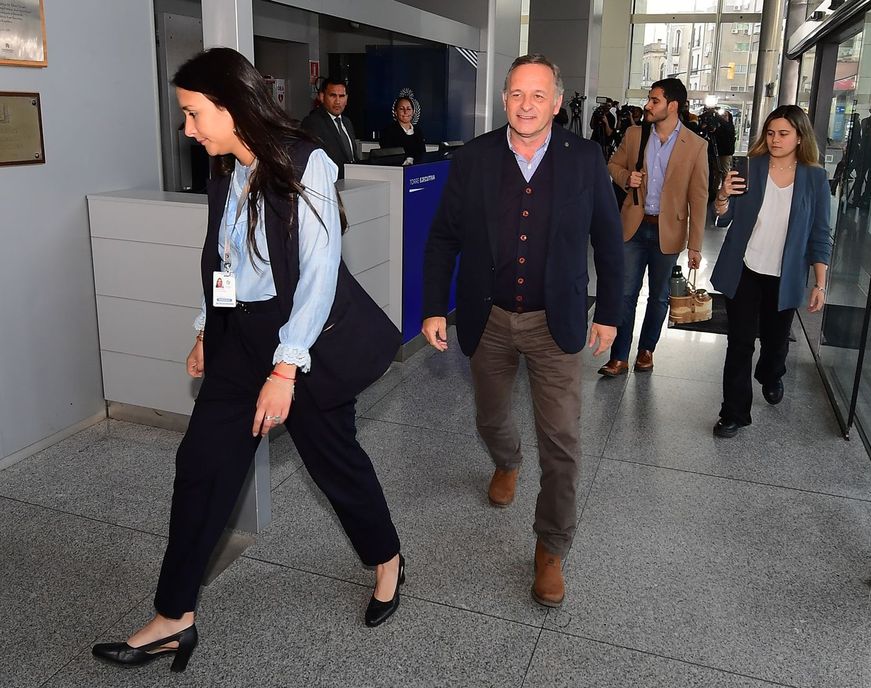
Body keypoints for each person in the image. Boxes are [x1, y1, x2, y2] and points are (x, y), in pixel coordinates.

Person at [92, 48, 405, 672]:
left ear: (231, 107)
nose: (187, 129)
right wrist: (207, 328)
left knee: (335, 464)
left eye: (193, 114)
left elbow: (319, 275)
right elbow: (224, 258)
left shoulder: (306, 162)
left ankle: (388, 558)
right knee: (201, 467)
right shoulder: (223, 168)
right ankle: (174, 618)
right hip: (238, 340)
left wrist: (285, 370)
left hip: (301, 341)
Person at [421, 54, 623, 608]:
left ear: (557, 103)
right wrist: (434, 307)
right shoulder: (474, 158)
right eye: (516, 94)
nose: (526, 105)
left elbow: (609, 241)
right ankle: (507, 459)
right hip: (488, 319)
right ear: (504, 99)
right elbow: (443, 238)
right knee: (490, 416)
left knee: (561, 441)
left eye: (538, 95)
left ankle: (551, 547)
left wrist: (609, 312)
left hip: (555, 323)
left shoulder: (585, 158)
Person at [710, 104, 832, 438]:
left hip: (785, 274)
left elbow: (820, 233)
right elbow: (723, 217)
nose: (775, 139)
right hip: (745, 268)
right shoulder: (751, 168)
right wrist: (722, 195)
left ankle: (771, 373)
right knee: (740, 343)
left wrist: (820, 283)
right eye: (770, 133)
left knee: (776, 341)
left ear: (800, 137)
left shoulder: (815, 178)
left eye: (783, 134)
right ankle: (733, 413)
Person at [599, 78, 708, 376]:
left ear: (672, 106)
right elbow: (612, 165)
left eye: (654, 100)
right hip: (633, 227)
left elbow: (699, 198)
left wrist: (695, 245)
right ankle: (619, 356)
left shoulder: (695, 145)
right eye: (649, 99)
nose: (648, 105)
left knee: (659, 297)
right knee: (625, 294)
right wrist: (627, 178)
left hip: (668, 231)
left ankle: (647, 350)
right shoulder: (635, 134)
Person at [301, 77, 359, 179]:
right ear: (322, 97)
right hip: (329, 183)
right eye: (333, 96)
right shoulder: (313, 122)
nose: (337, 101)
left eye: (341, 96)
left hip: (352, 181)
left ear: (346, 99)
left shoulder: (347, 122)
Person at [379, 95, 426, 164]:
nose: (405, 112)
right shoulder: (388, 131)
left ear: (413, 112)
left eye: (408, 109)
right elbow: (389, 156)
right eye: (401, 109)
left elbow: (422, 154)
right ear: (395, 112)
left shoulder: (418, 131)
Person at [716, 109, 737, 177]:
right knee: (717, 173)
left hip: (725, 153)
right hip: (718, 152)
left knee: (725, 172)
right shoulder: (719, 127)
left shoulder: (729, 126)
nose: (723, 117)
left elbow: (725, 125)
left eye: (725, 116)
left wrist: (717, 116)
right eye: (722, 116)